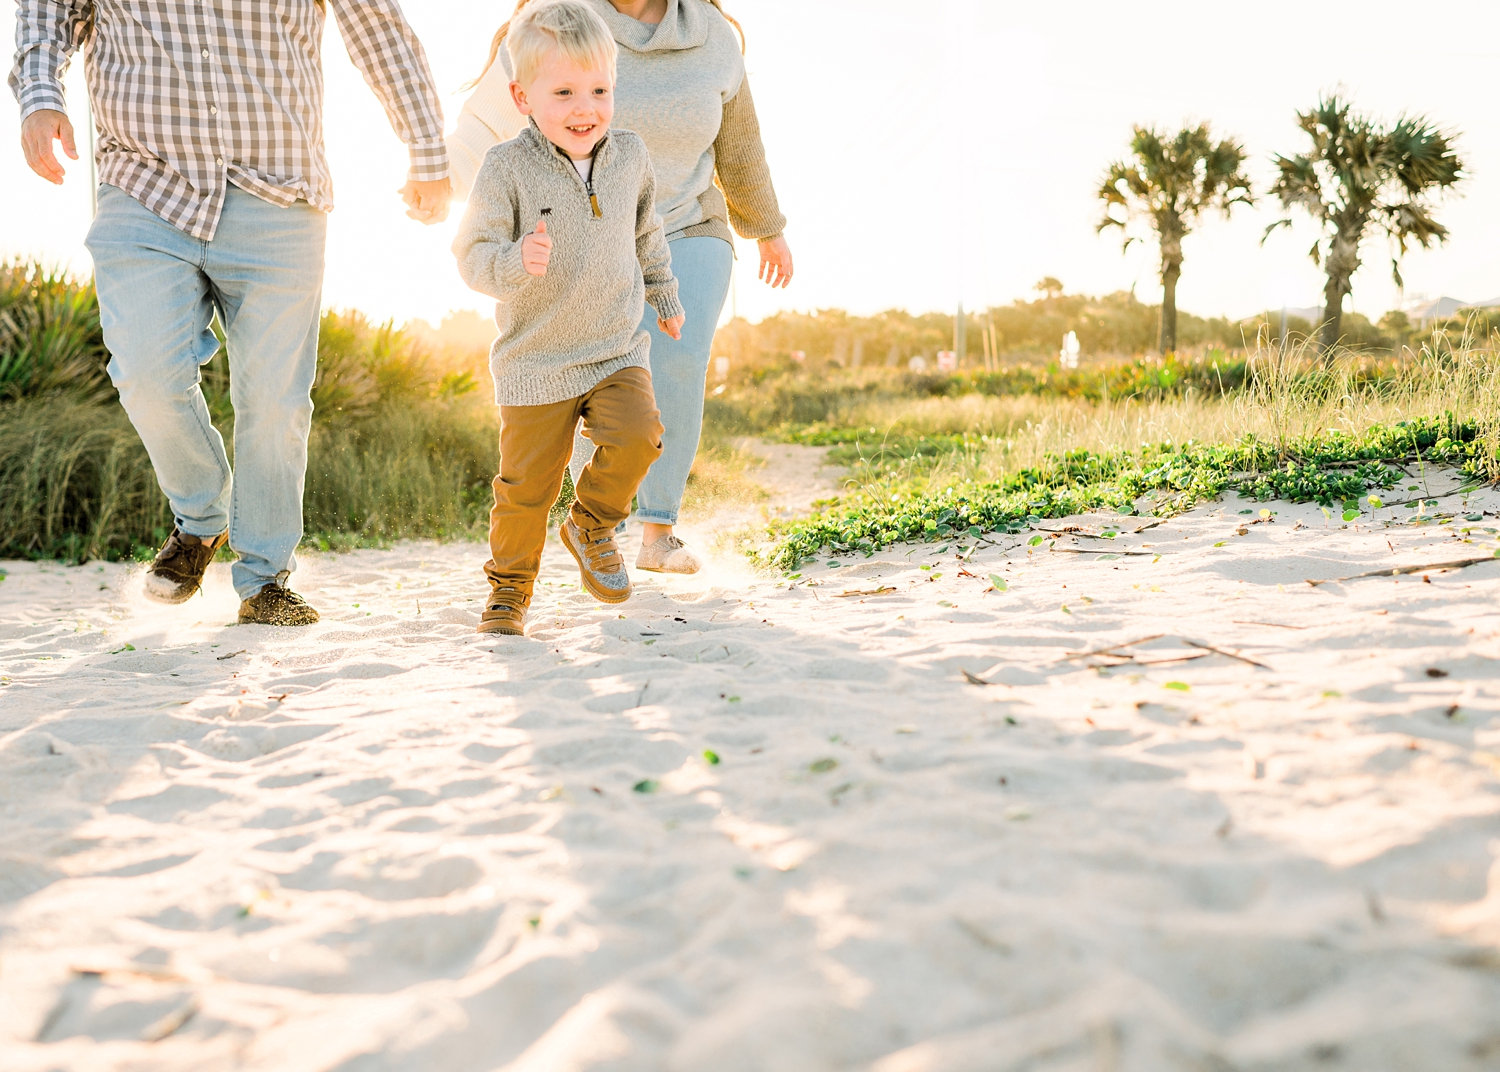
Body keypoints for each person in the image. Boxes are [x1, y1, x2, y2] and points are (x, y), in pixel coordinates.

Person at [11, 0, 452, 626]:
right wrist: (39, 94)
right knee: (145, 373)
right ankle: (201, 517)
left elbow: (377, 27)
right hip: (144, 184)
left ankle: (265, 578)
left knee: (275, 400)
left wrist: (426, 147)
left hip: (279, 193)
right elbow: (49, 10)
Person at [449, 0, 791, 576]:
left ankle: (658, 531)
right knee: (601, 367)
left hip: (689, 220)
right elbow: (484, 122)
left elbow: (740, 142)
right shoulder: (560, 21)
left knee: (678, 360)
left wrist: (767, 229)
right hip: (587, 237)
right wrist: (438, 176)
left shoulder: (711, 35)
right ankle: (600, 522)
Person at [453, 0, 683, 637]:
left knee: (640, 437)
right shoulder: (506, 167)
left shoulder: (630, 156)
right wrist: (514, 259)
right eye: (563, 92)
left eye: (599, 90)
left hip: (614, 348)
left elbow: (648, 233)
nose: (585, 108)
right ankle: (509, 594)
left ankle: (589, 524)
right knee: (525, 489)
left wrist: (663, 293)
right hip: (534, 359)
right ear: (523, 97)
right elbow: (469, 253)